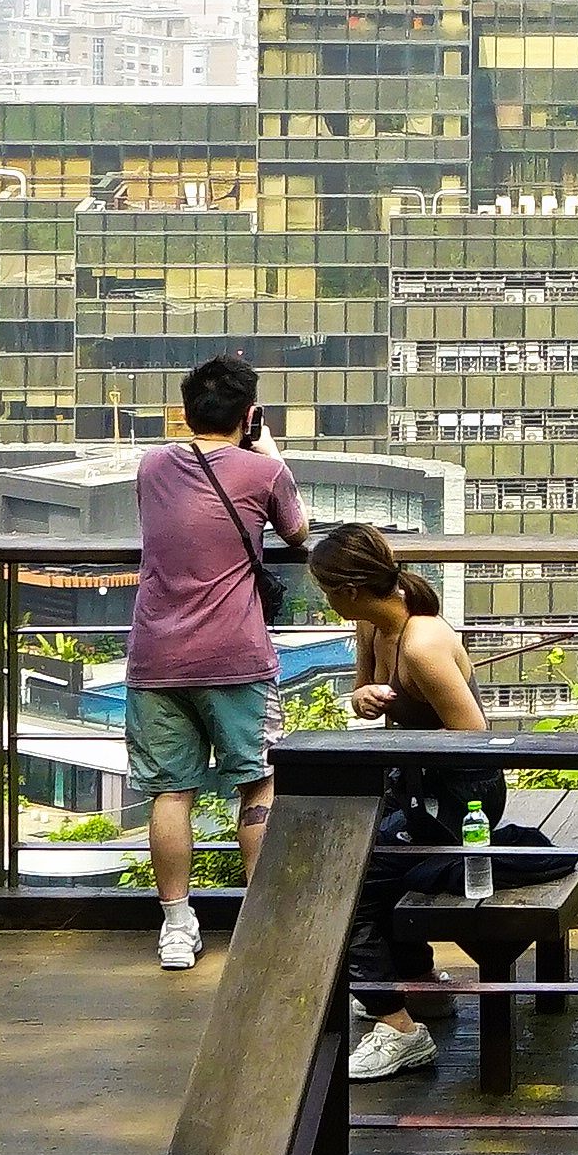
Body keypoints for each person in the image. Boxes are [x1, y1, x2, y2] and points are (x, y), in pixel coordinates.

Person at [125, 355, 304, 973]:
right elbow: (299, 533)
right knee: (257, 782)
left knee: (170, 792)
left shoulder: (152, 466)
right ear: (249, 415)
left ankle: (177, 925)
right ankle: (256, 923)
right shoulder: (263, 472)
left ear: (184, 412)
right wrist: (270, 450)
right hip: (235, 654)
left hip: (156, 654)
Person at [309, 523, 493, 1084]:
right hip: (410, 783)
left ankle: (398, 1028)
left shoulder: (422, 643)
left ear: (348, 590)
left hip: (458, 797)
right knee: (358, 858)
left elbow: (474, 738)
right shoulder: (373, 626)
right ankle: (413, 987)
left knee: (356, 887)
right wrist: (365, 697)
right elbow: (372, 698)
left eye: (327, 590)